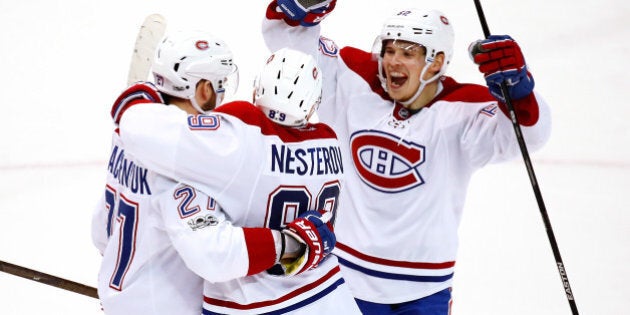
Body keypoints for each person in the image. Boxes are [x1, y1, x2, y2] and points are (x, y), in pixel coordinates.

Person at [262, 1, 552, 314]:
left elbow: (528, 136)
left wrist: (519, 91)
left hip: (424, 290)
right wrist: (303, 5)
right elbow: (289, 44)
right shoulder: (352, 79)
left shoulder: (464, 109)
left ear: (437, 62)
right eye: (389, 50)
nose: (393, 61)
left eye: (408, 53)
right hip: (342, 281)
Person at [114, 46, 362, 314]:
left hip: (256, 306)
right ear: (314, 103)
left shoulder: (237, 140)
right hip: (333, 298)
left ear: (257, 90)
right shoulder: (329, 142)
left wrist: (135, 102)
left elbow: (214, 254)